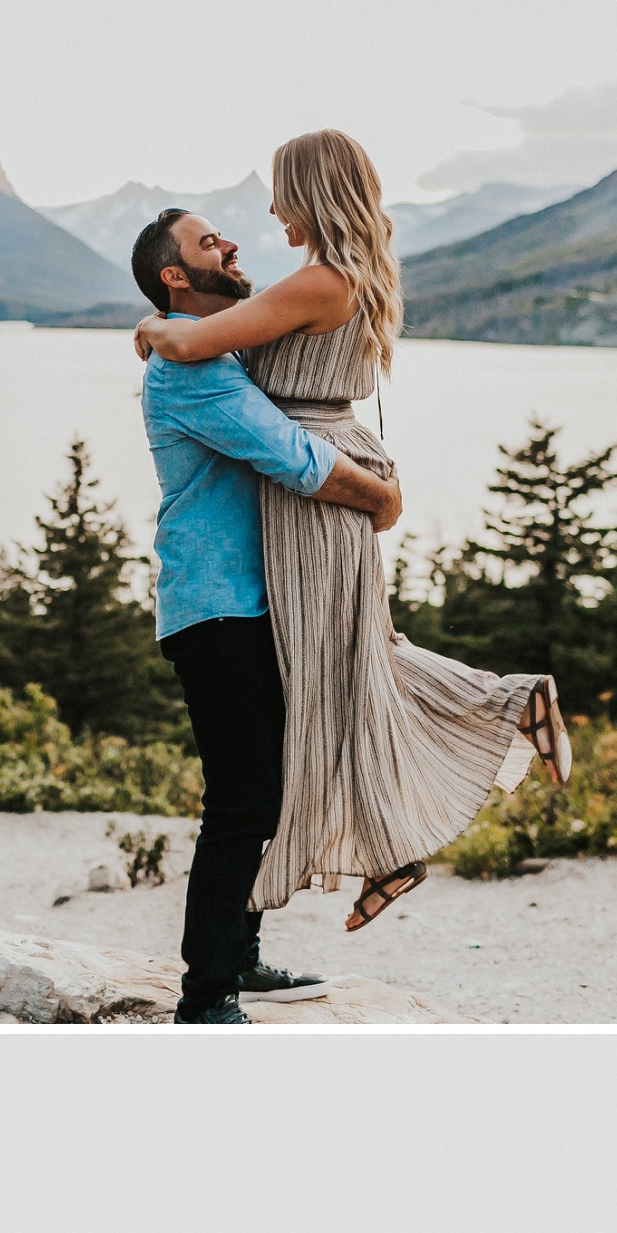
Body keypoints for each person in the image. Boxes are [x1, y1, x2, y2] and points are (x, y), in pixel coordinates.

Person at [137, 129, 570, 933]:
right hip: (314, 493)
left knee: (349, 669)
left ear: (311, 192)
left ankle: (491, 724)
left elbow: (196, 346)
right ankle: (392, 837)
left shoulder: (317, 283)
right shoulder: (341, 278)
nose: (267, 212)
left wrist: (156, 327)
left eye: (279, 193)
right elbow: (218, 360)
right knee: (349, 669)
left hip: (315, 496)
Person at [131, 208, 406, 1025]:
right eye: (208, 243)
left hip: (255, 601)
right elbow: (296, 459)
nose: (231, 245)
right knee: (242, 799)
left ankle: (239, 961)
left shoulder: (213, 349)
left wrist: (156, 326)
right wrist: (381, 497)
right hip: (218, 606)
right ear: (176, 276)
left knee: (267, 791)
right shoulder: (194, 373)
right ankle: (206, 993)